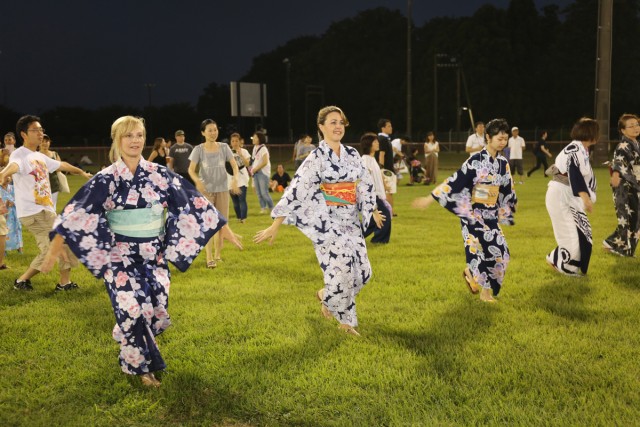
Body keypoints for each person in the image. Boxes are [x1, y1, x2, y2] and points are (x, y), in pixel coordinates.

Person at [42, 115, 241, 388]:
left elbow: (190, 200)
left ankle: (127, 329)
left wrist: (222, 227)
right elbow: (77, 211)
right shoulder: (106, 178)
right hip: (119, 258)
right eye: (128, 136)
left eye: (138, 135)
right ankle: (138, 366)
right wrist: (54, 251)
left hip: (153, 257)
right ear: (117, 140)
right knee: (134, 311)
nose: (134, 141)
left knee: (156, 309)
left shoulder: (159, 174)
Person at [254, 106, 384, 336]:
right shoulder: (316, 157)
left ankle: (327, 296)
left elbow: (364, 184)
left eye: (341, 122)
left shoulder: (353, 155)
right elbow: (297, 189)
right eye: (332, 122)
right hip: (327, 222)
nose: (337, 126)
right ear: (321, 127)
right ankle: (346, 324)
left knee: (363, 274)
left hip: (351, 221)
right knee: (342, 269)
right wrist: (275, 224)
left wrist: (371, 209)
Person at [413, 118, 517, 303]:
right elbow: (456, 181)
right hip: (473, 215)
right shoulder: (475, 160)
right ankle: (480, 286)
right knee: (481, 252)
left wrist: (504, 211)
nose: (502, 142)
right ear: (488, 137)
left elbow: (507, 189)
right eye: (499, 138)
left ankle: (476, 279)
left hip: (491, 216)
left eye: (505, 138)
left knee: (502, 252)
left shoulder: (503, 163)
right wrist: (429, 199)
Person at [0, 115, 92, 291]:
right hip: (33, 213)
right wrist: (3, 174)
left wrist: (81, 172)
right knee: (52, 248)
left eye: (41, 130)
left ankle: (64, 283)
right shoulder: (20, 155)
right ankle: (22, 281)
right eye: (35, 130)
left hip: (46, 210)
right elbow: (14, 166)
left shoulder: (38, 156)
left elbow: (61, 165)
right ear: (24, 134)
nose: (40, 133)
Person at [545, 117, 599, 276]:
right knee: (570, 236)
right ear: (591, 134)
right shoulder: (576, 148)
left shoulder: (581, 149)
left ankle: (558, 259)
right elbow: (574, 172)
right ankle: (563, 265)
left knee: (583, 233)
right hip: (562, 195)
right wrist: (586, 197)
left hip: (568, 196)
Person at [188, 119, 240, 269]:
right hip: (206, 191)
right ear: (203, 132)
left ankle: (218, 255)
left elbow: (234, 165)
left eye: (215, 129)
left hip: (223, 189)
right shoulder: (198, 149)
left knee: (222, 224)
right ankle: (209, 257)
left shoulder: (224, 147)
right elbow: (191, 169)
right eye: (209, 130)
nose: (213, 133)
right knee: (208, 225)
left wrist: (235, 179)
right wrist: (197, 181)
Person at [603, 113, 640, 257]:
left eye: (637, 124)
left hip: (635, 186)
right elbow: (618, 162)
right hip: (624, 186)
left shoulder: (636, 144)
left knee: (635, 218)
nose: (635, 128)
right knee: (629, 219)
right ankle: (624, 250)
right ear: (623, 130)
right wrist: (616, 175)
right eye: (630, 126)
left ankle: (612, 243)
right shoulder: (623, 146)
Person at [361, 132, 392, 243]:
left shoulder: (372, 159)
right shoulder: (365, 160)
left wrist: (384, 185)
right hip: (373, 195)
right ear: (369, 144)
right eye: (375, 142)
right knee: (385, 216)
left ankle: (354, 238)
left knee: (373, 221)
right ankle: (379, 240)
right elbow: (365, 180)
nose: (378, 143)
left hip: (378, 194)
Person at [227, 132, 250, 223]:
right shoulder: (228, 152)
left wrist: (241, 155)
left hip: (242, 179)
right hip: (230, 179)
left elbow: (248, 164)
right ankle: (238, 217)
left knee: (242, 199)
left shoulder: (244, 151)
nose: (235, 143)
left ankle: (243, 219)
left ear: (240, 142)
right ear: (230, 142)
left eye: (237, 141)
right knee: (235, 202)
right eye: (233, 141)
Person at [250, 131, 274, 213]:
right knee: (259, 193)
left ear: (260, 139)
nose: (253, 139)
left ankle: (272, 208)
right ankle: (263, 208)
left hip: (263, 172)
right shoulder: (255, 148)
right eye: (253, 137)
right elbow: (254, 160)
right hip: (256, 172)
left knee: (264, 193)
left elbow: (265, 161)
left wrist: (256, 169)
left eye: (255, 137)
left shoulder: (263, 148)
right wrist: (252, 169)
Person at [376, 119, 396, 213]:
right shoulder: (382, 139)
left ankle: (387, 211)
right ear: (382, 128)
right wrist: (382, 169)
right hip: (386, 169)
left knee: (386, 191)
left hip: (388, 168)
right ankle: (389, 212)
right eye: (388, 126)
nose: (391, 128)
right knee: (389, 191)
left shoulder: (384, 138)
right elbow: (381, 154)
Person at [39, 134, 62, 209]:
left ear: (49, 142)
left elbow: (59, 168)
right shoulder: (36, 155)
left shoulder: (54, 154)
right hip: (41, 185)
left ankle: (53, 220)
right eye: (42, 141)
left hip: (53, 184)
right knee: (43, 207)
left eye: (46, 141)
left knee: (53, 207)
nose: (45, 143)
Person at [0, 178, 22, 252]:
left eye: (9, 177)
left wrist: (14, 202)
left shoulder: (13, 188)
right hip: (3, 213)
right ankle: (4, 249)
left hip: (13, 212)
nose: (7, 179)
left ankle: (19, 247)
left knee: (17, 229)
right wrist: (5, 204)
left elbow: (19, 199)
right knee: (4, 230)